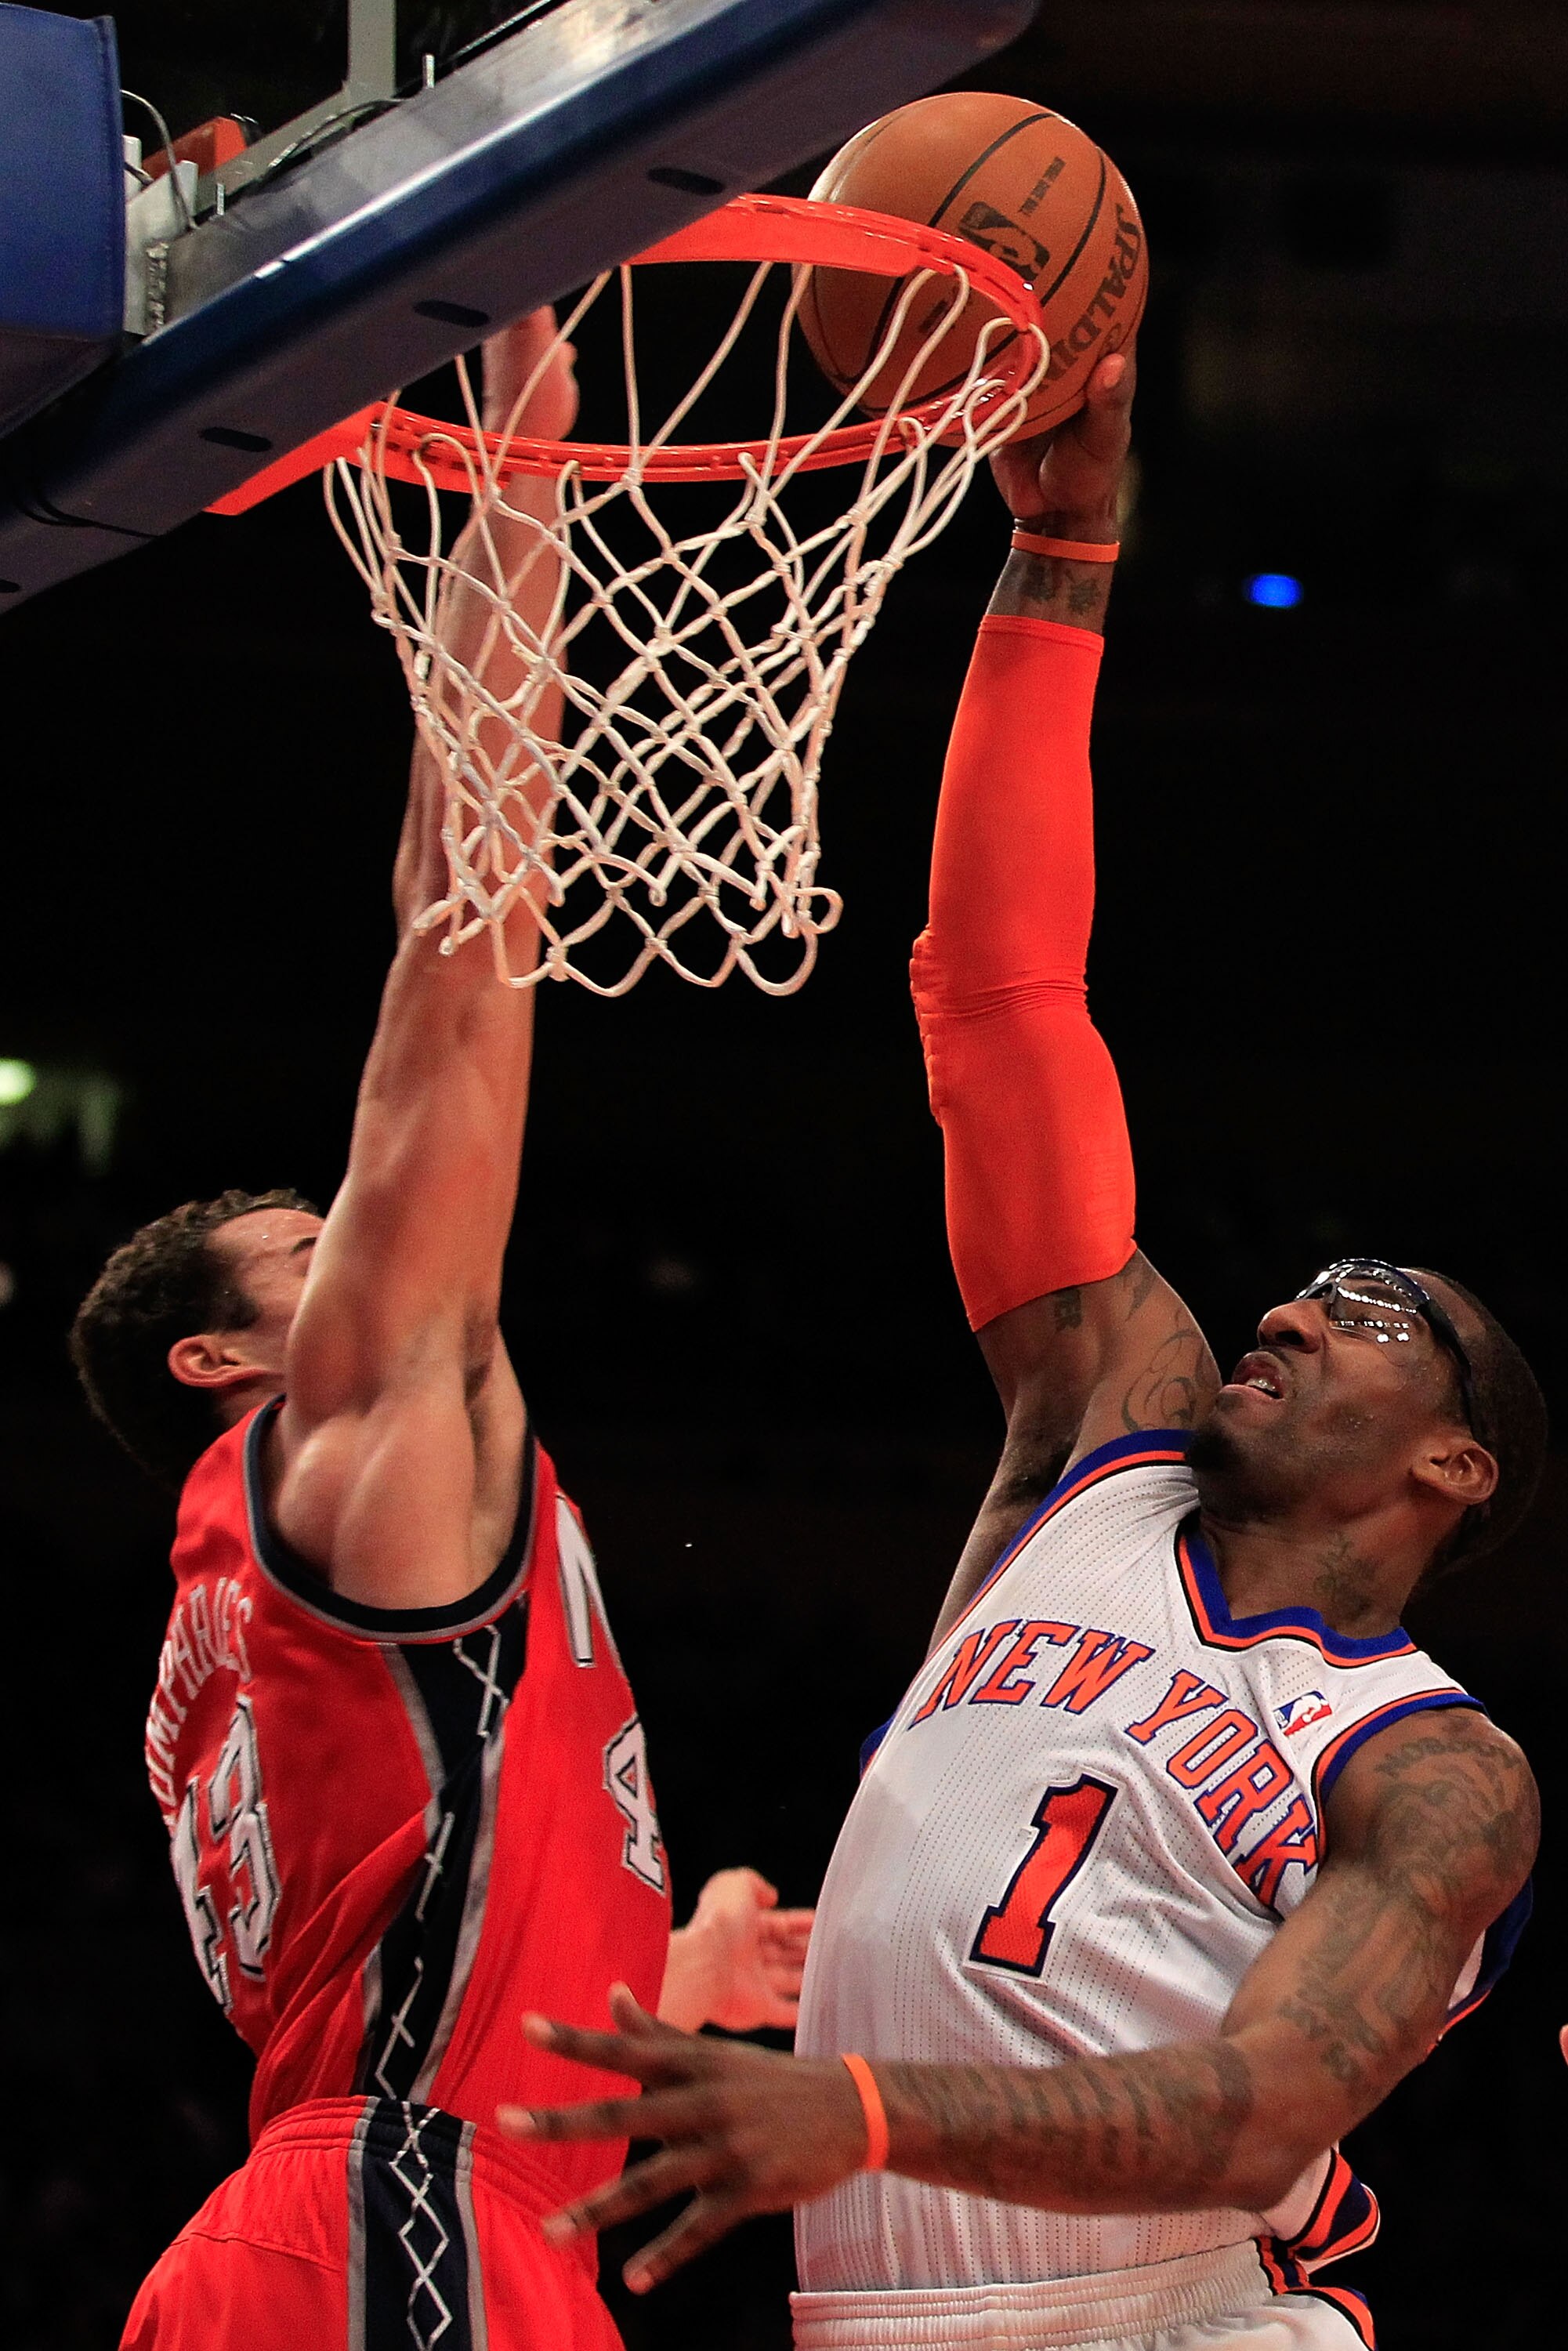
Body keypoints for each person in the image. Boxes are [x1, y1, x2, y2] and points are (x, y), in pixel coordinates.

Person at [494, 346, 1546, 2351]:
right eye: (1297, 1287)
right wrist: (1060, 552)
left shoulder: (1435, 1769)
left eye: (1369, 1312)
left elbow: (1264, 2112)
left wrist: (863, 2108)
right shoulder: (1107, 1440)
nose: (1285, 1310)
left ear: (1455, 1463)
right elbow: (996, 1000)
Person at [71, 313, 811, 2351]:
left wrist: (662, 1980)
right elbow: (455, 954)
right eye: (311, 1247)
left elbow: (417, 1932)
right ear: (222, 1364)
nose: (368, 1248)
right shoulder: (349, 1427)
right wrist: (521, 499)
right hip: (406, 2227)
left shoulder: (250, 1616)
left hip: (363, 2224)